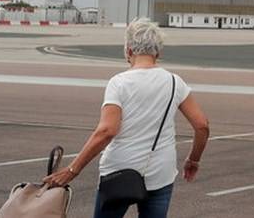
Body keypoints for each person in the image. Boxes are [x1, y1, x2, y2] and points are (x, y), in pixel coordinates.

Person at [43, 18, 210, 218]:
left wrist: (72, 170)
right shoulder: (175, 82)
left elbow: (107, 131)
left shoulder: (119, 83)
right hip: (160, 174)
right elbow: (202, 126)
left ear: (128, 50)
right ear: (158, 52)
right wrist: (193, 159)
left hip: (118, 173)